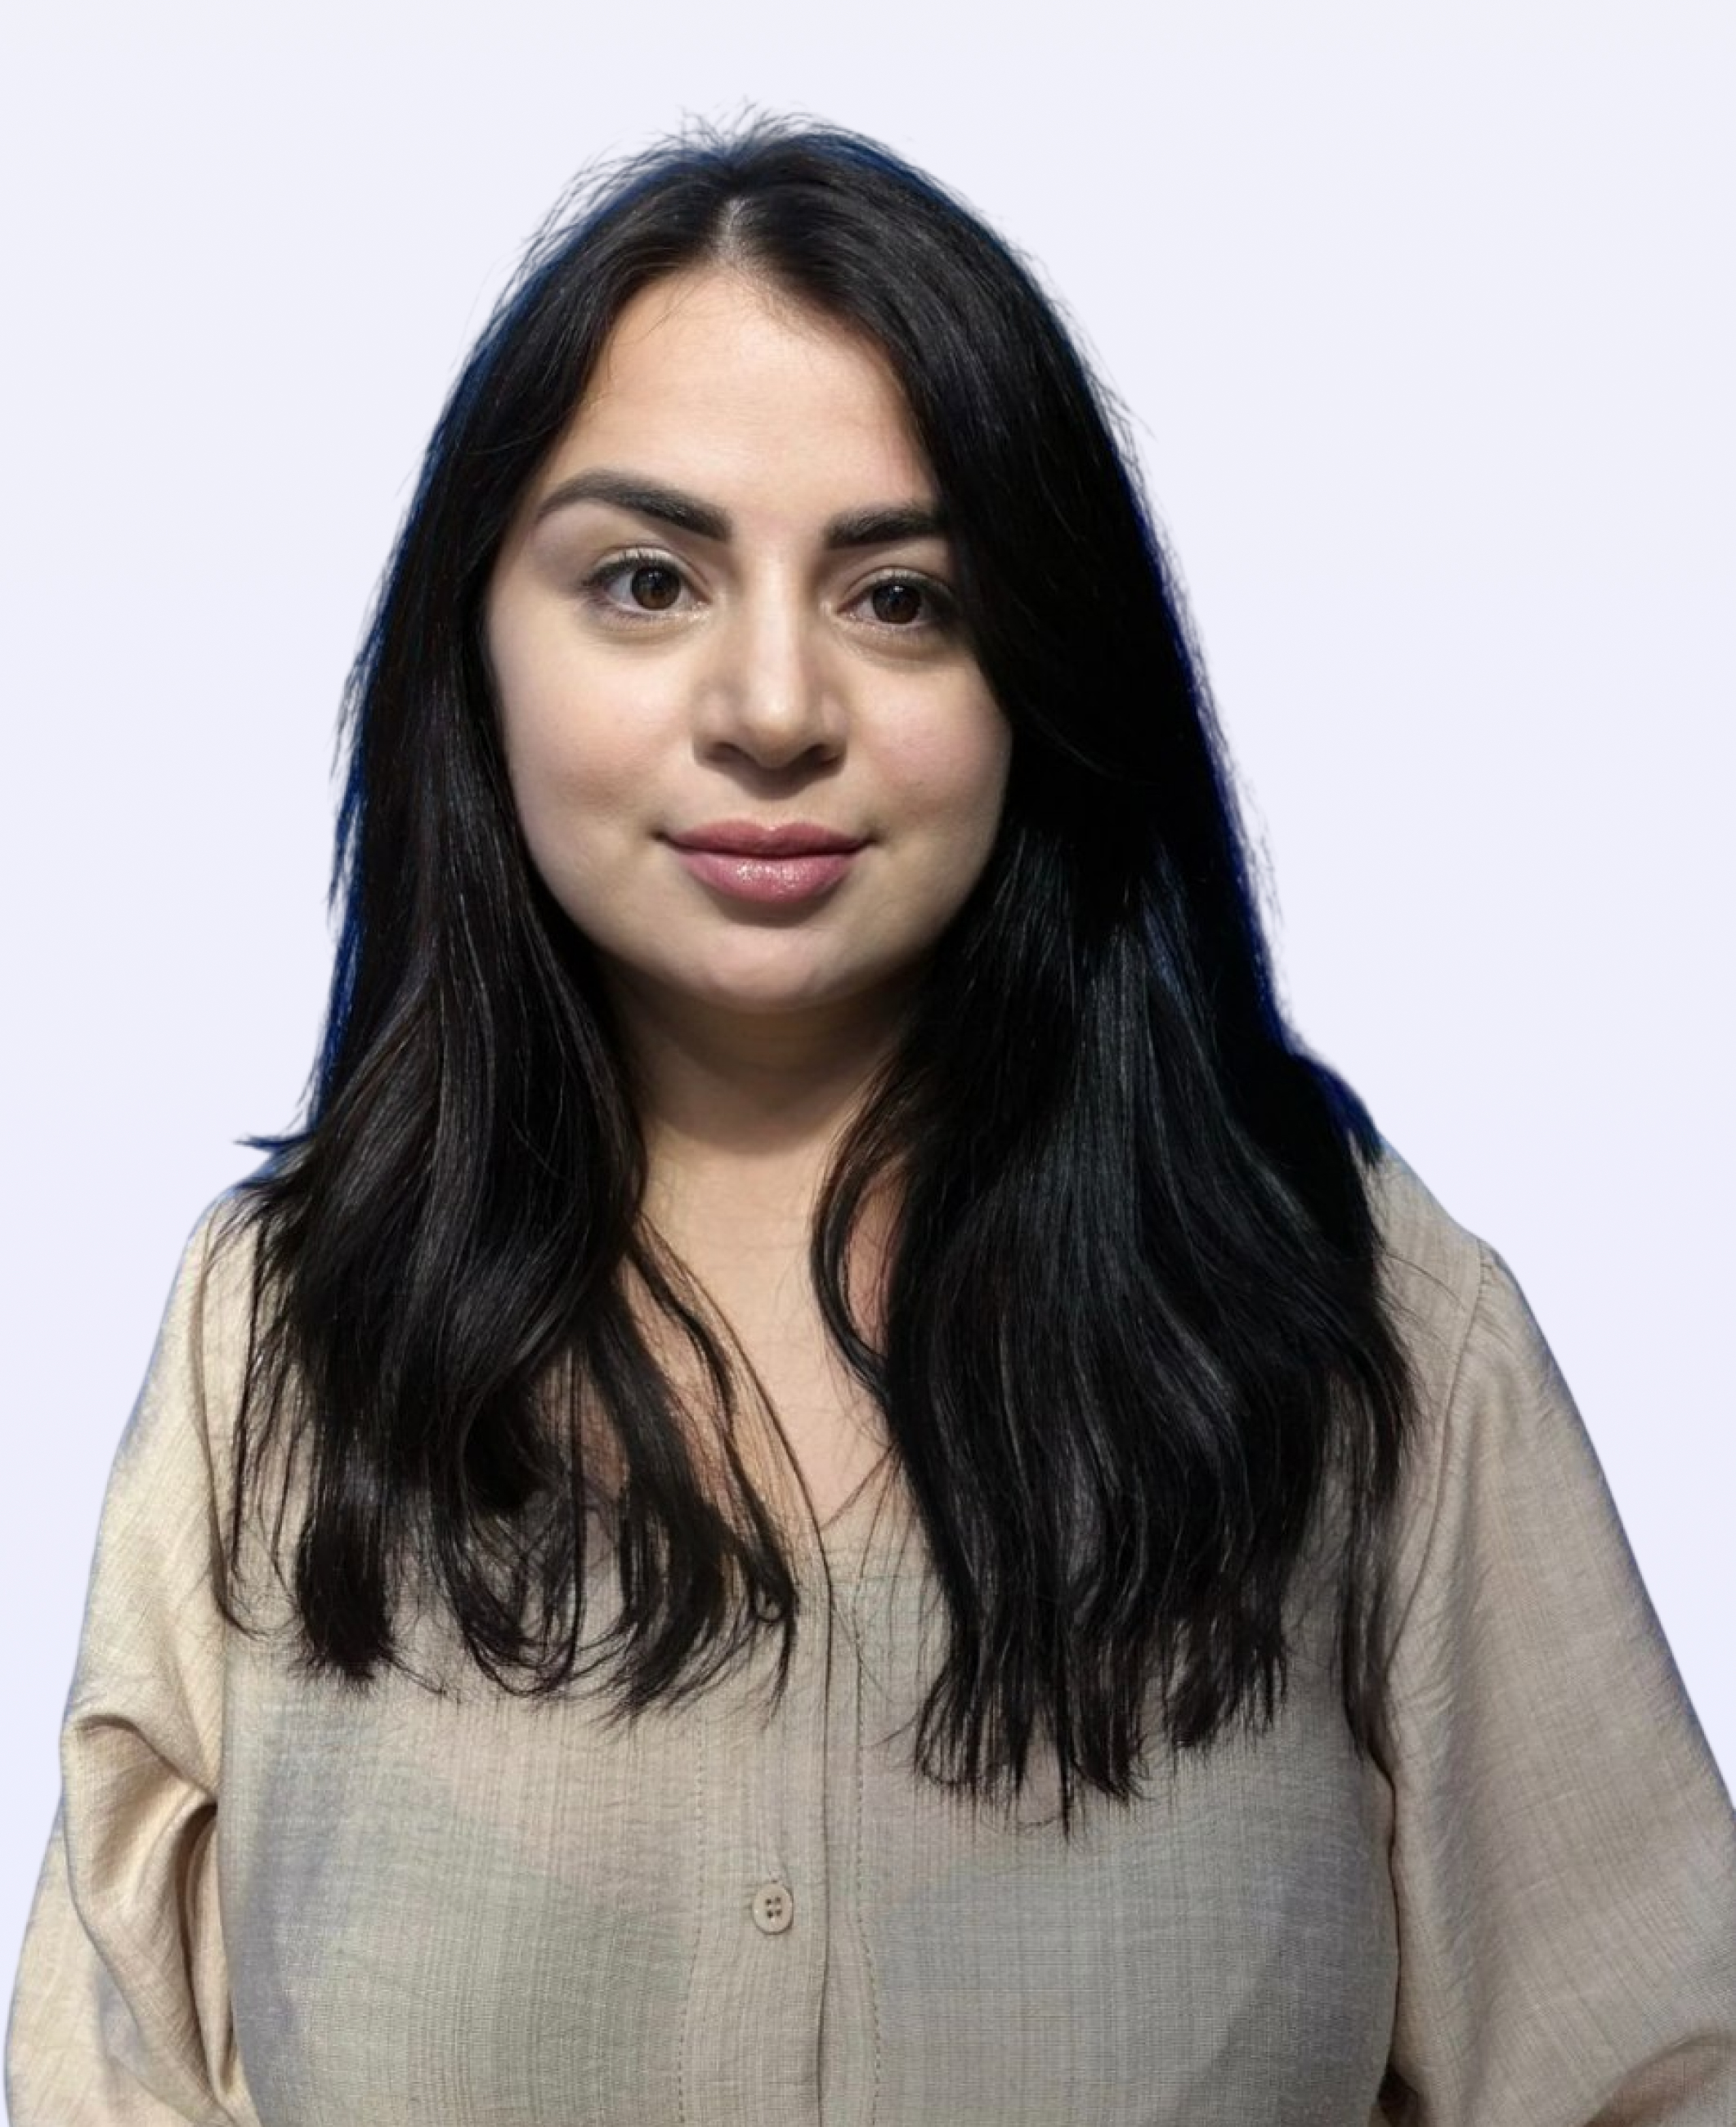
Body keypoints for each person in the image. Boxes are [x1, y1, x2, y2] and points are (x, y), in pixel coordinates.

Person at [7, 117, 1733, 2125]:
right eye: (645, 580)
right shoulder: (279, 1334)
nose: (772, 707)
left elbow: (1659, 2074)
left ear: (1042, 670)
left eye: (901, 595)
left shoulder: (1354, 1316)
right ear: (477, 640)